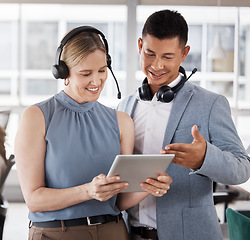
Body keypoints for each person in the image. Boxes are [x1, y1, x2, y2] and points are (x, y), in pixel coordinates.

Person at [14, 26, 172, 240]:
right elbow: (33, 199)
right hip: (55, 233)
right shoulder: (37, 117)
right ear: (63, 73)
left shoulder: (122, 122)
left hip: (112, 231)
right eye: (85, 74)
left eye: (102, 70)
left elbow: (119, 199)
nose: (96, 81)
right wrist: (87, 191)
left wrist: (149, 187)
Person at [117, 9, 250, 240]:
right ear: (140, 45)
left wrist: (205, 158)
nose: (156, 65)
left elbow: (242, 168)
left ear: (184, 53)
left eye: (167, 57)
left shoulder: (211, 104)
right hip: (130, 234)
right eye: (149, 53)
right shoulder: (125, 106)